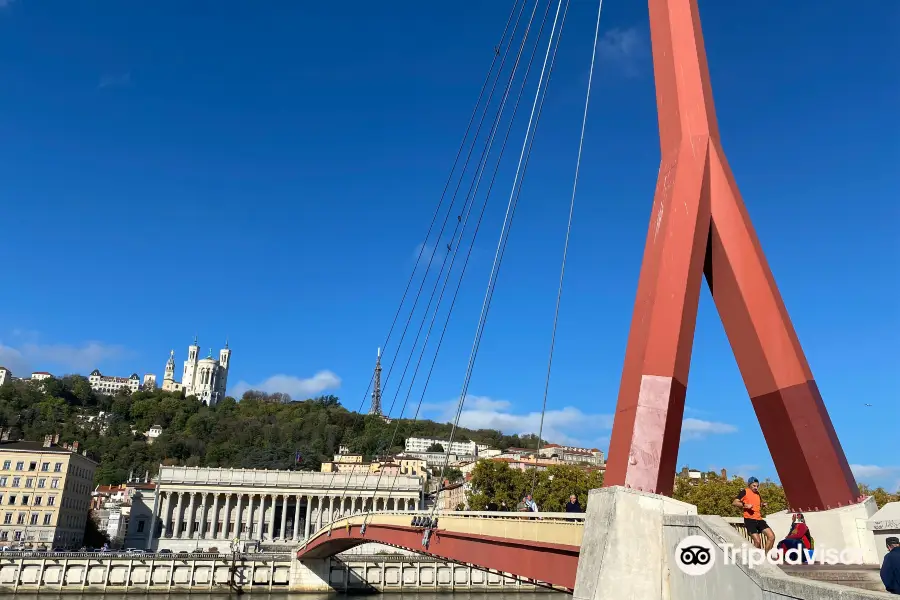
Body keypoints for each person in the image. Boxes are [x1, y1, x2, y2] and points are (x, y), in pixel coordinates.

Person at [732, 476, 775, 552]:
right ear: (749, 485)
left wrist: (763, 504)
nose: (756, 488)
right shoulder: (744, 491)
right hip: (749, 520)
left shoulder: (758, 493)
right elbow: (735, 502)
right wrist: (745, 505)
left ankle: (765, 558)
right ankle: (754, 559)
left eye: (757, 486)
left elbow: (757, 504)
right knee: (757, 542)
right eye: (754, 486)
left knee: (771, 537)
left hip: (759, 519)